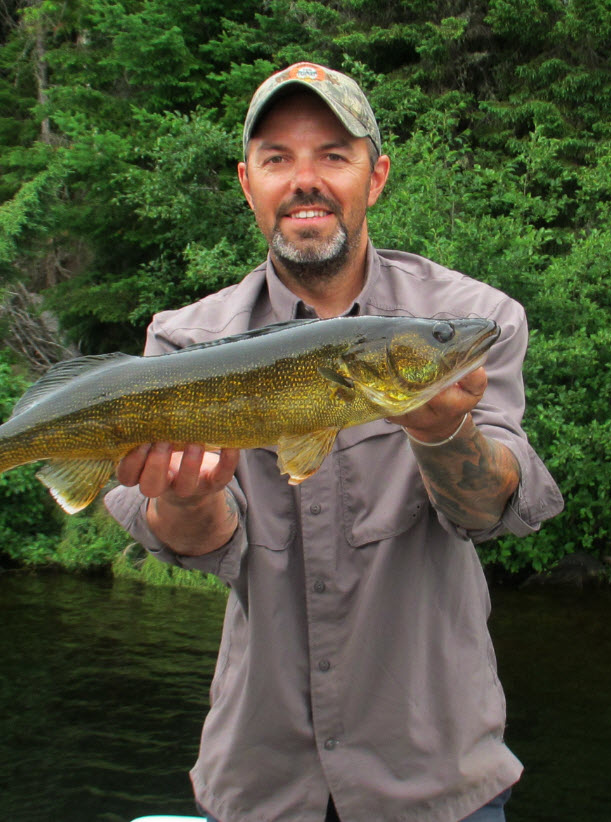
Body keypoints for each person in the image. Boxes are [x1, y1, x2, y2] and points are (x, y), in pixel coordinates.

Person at [103, 62, 564, 822]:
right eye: (277, 158)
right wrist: (190, 502)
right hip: (261, 784)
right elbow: (201, 544)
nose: (304, 180)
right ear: (246, 183)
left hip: (436, 780)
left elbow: (487, 511)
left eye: (334, 155)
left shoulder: (473, 319)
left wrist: (443, 430)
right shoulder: (184, 341)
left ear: (376, 177)